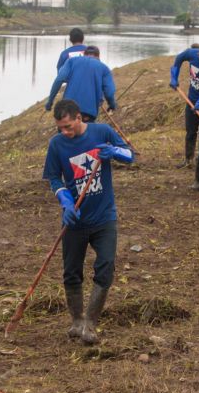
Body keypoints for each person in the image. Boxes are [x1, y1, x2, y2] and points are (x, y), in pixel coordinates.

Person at [42, 100, 133, 345]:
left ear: (79, 117)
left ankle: (91, 323)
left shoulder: (101, 132)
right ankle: (77, 321)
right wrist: (65, 201)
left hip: (104, 217)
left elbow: (129, 154)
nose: (65, 132)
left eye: (68, 126)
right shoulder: (57, 145)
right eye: (60, 127)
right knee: (71, 273)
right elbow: (52, 177)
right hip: (75, 221)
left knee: (105, 266)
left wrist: (113, 152)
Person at [46, 46, 117, 123]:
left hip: (67, 110)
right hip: (88, 113)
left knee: (65, 132)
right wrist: (112, 105)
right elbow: (109, 92)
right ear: (98, 56)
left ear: (84, 54)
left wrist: (50, 102)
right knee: (85, 133)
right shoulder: (104, 68)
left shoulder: (71, 61)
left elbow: (59, 80)